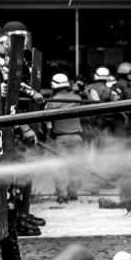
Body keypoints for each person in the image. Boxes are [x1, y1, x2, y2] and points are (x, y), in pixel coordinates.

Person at [45, 72, 83, 203]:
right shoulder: (77, 98)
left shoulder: (52, 102)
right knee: (75, 165)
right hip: (77, 138)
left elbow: (48, 123)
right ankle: (73, 192)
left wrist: (49, 136)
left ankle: (62, 195)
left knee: (61, 167)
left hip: (61, 139)